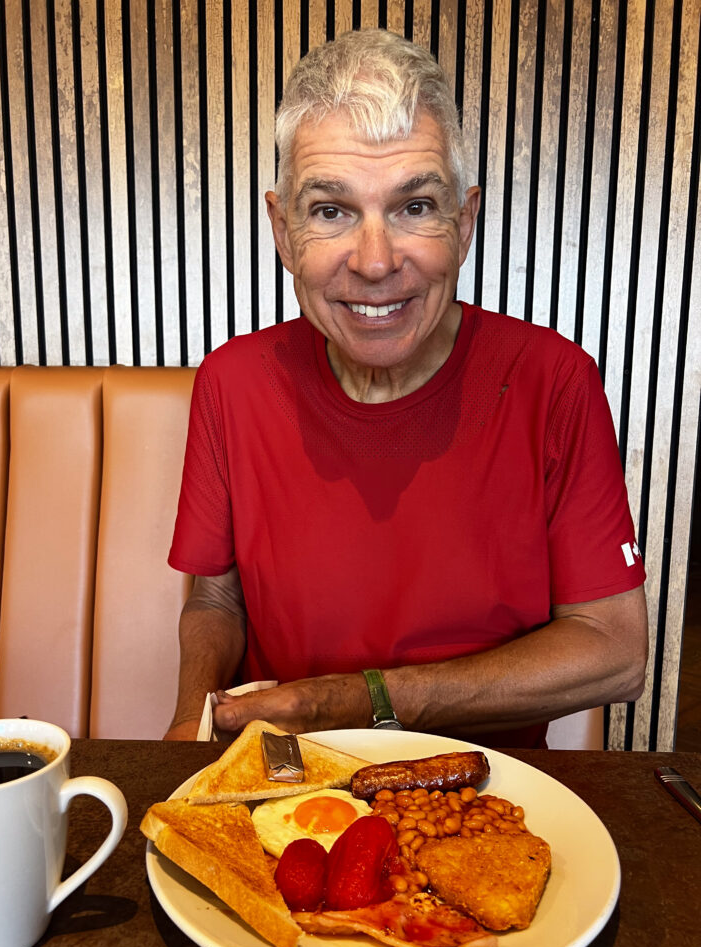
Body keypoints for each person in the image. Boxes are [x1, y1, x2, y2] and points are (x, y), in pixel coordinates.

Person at [164, 28, 647, 746]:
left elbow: (615, 649)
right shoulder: (232, 381)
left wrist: (352, 702)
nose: (375, 261)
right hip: (287, 783)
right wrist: (191, 722)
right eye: (330, 211)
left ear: (466, 221)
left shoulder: (554, 381)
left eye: (415, 206)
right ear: (283, 230)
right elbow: (216, 598)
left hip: (489, 788)